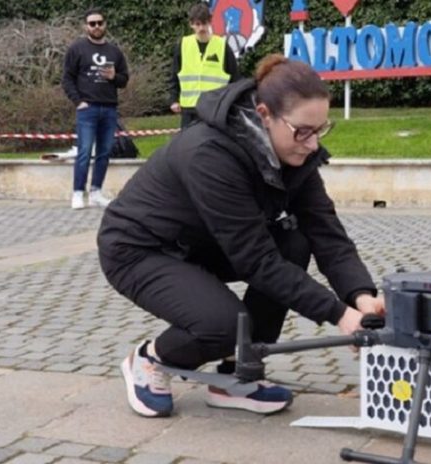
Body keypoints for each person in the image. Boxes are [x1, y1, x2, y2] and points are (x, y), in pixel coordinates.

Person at [98, 54, 385, 418]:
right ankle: (150, 359)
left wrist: (361, 296)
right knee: (223, 326)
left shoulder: (296, 153)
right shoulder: (210, 154)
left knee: (294, 242)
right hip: (139, 249)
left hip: (202, 242)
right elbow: (256, 261)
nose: (313, 144)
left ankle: (237, 377)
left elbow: (326, 231)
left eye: (321, 129)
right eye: (303, 131)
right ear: (264, 115)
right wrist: (338, 314)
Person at [62, 7, 129, 210]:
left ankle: (96, 192)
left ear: (105, 24)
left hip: (109, 108)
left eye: (100, 23)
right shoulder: (77, 49)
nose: (97, 27)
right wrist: (78, 102)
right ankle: (77, 193)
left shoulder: (114, 51)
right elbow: (67, 79)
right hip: (87, 109)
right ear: (86, 26)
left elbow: (124, 79)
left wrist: (113, 77)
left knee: (104, 152)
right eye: (92, 23)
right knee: (84, 151)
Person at [168, 2, 240, 128]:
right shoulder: (183, 45)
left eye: (204, 23)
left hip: (214, 109)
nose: (201, 28)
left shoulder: (222, 46)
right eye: (197, 24)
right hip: (189, 109)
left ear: (210, 22)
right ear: (191, 24)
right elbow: (175, 76)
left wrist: (232, 103)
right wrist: (174, 99)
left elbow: (235, 78)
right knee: (188, 146)